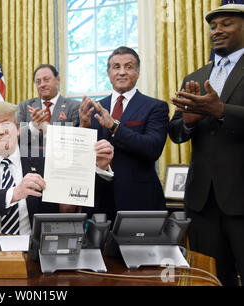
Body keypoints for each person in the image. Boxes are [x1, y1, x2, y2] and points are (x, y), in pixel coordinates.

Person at [168, 4, 244, 286]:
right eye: (213, 26)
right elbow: (175, 133)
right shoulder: (196, 77)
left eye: (227, 24)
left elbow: (222, 111)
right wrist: (188, 121)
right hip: (202, 203)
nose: (218, 31)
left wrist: (221, 110)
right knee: (208, 279)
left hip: (240, 196)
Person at [0, 102, 114, 234]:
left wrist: (101, 167)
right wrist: (15, 193)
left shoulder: (45, 159)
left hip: (35, 242)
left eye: (6, 123)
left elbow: (81, 194)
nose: (0, 131)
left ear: (18, 129)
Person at [79, 46, 169, 213]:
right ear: (108, 73)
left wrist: (114, 126)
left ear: (138, 72)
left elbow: (152, 148)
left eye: (128, 67)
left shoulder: (155, 107)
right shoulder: (96, 108)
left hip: (139, 199)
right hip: (99, 199)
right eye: (116, 67)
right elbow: (81, 157)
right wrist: (84, 127)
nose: (121, 72)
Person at [17, 64, 80, 148]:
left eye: (46, 80)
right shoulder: (25, 106)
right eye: (38, 82)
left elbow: (77, 141)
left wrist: (48, 129)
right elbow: (18, 140)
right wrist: (33, 126)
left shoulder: (74, 107)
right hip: (31, 159)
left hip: (61, 158)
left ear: (58, 80)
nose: (42, 85)